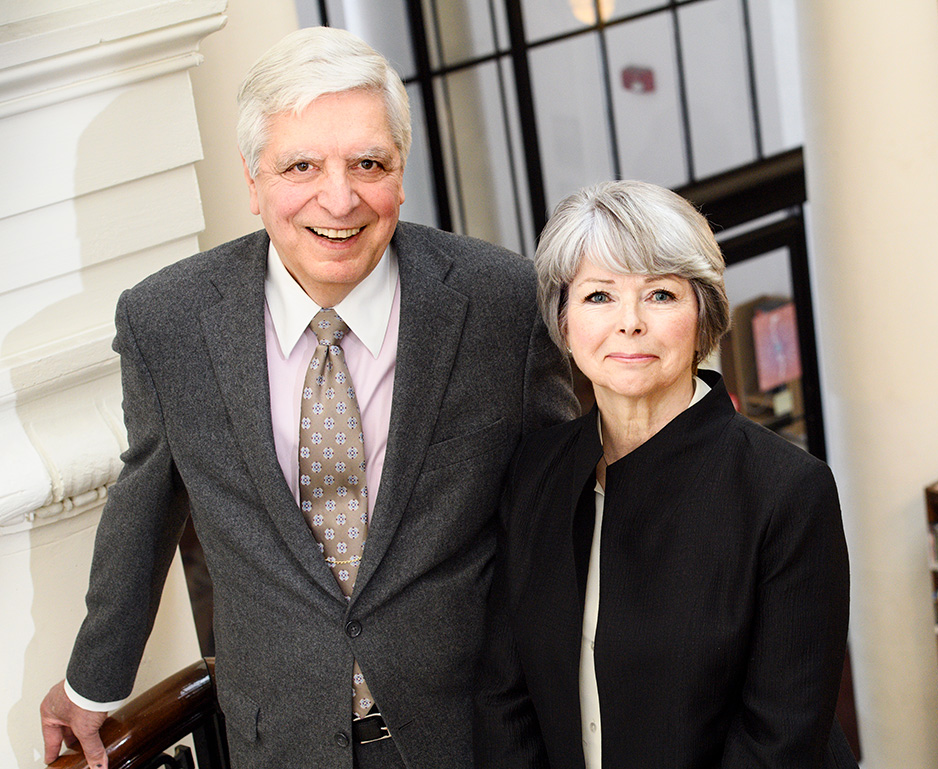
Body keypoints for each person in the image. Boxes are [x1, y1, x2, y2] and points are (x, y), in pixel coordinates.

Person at [40, 26, 576, 769]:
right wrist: (91, 685)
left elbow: (567, 508)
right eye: (301, 165)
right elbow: (145, 505)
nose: (340, 197)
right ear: (253, 182)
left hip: (478, 733)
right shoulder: (167, 322)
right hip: (279, 743)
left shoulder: (502, 302)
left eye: (368, 163)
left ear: (401, 171)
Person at [474, 180, 856, 768]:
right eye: (599, 296)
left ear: (703, 314)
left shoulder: (787, 493)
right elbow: (505, 695)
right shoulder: (534, 471)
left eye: (659, 295)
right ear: (564, 319)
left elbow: (779, 738)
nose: (629, 323)